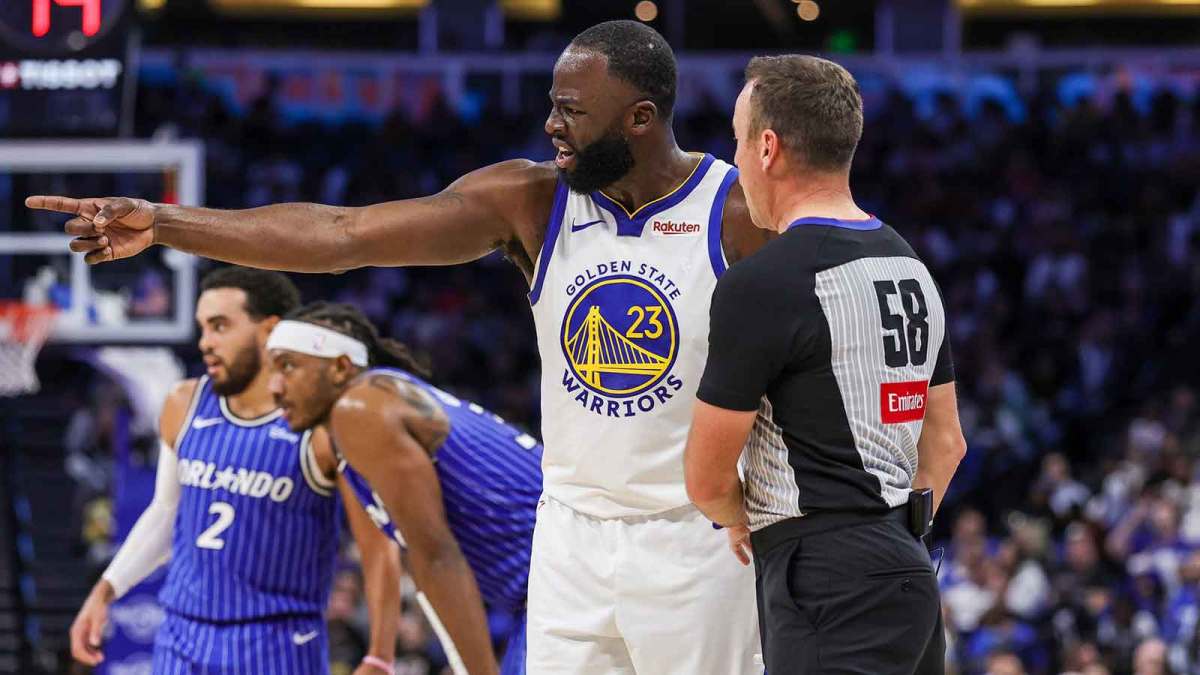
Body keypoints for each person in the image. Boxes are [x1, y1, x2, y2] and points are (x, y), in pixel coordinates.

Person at [30, 20, 768, 674]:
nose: (551, 124)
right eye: (552, 104)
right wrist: (163, 223)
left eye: (571, 111)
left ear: (640, 119)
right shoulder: (532, 201)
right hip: (570, 539)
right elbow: (342, 235)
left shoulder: (736, 213)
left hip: (695, 539)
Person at [682, 55, 967, 675]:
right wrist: (889, 537)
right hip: (911, 572)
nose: (733, 162)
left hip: (825, 584)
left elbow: (705, 479)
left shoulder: (763, 284)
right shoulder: (909, 266)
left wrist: (742, 516)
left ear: (767, 147)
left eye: (736, 141)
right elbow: (945, 445)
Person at [69, 267, 402, 675]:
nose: (206, 342)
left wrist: (380, 655)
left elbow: (378, 546)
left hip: (278, 645)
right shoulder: (183, 403)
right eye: (203, 328)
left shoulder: (323, 424)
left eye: (220, 326)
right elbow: (165, 513)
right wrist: (105, 591)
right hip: (182, 637)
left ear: (269, 330)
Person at [264, 301, 542, 675]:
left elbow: (437, 555)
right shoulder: (364, 419)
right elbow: (413, 556)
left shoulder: (359, 408)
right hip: (552, 584)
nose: (274, 387)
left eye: (288, 367)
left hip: (567, 572)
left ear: (340, 367)